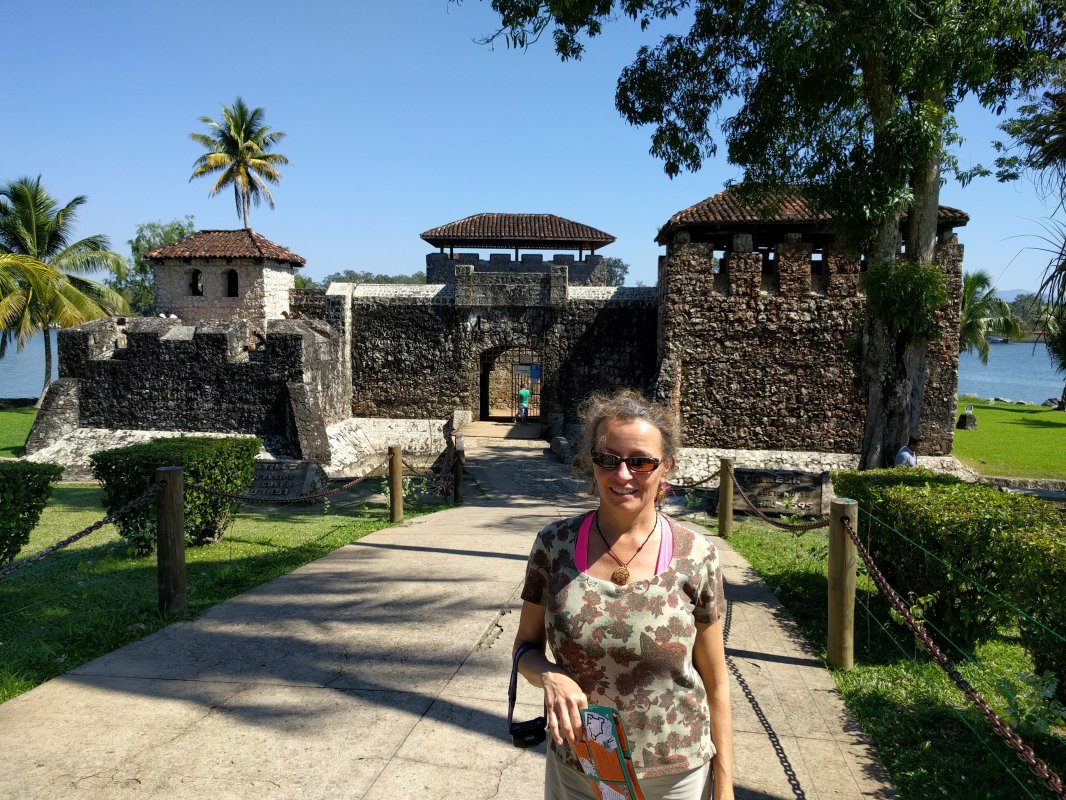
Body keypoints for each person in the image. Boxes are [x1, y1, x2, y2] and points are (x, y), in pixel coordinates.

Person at [513, 389, 734, 800]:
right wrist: (550, 676)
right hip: (578, 768)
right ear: (590, 462)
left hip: (676, 774)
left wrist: (724, 787)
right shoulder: (553, 546)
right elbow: (524, 648)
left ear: (665, 467)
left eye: (641, 461)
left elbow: (716, 683)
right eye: (608, 459)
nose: (623, 474)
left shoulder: (697, 555)